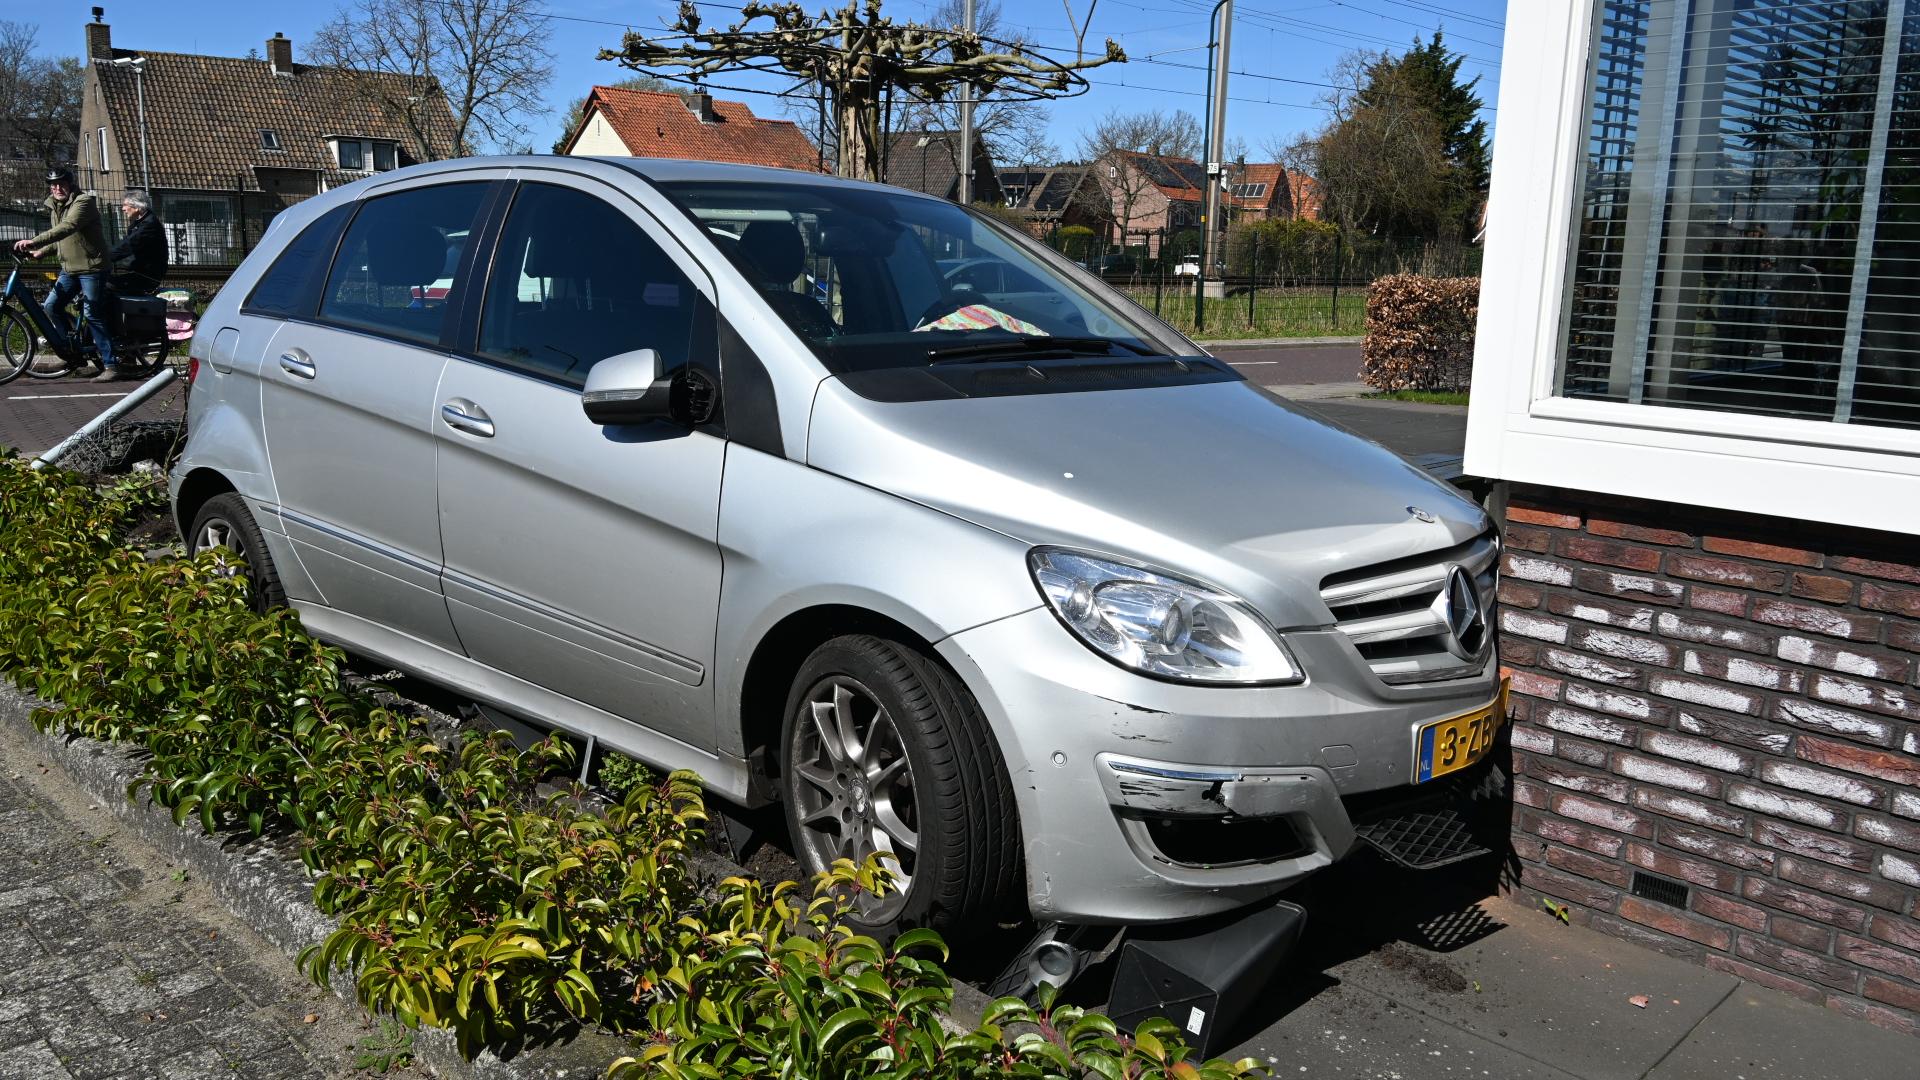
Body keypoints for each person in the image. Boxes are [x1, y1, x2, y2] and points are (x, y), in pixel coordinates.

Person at [11, 168, 119, 381]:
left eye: (61, 184)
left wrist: (35, 241)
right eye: (53, 185)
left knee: (92, 314)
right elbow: (62, 239)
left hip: (92, 268)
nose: (57, 188)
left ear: (70, 185)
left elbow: (68, 228)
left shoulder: (83, 202)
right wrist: (41, 252)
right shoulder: (55, 206)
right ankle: (71, 351)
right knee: (52, 306)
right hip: (70, 269)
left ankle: (111, 366)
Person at [108, 189, 167, 297]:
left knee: (106, 287)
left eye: (126, 205)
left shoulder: (149, 225)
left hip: (146, 276)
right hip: (140, 272)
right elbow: (124, 244)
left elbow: (128, 245)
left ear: (137, 207)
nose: (123, 208)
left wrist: (102, 257)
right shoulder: (139, 223)